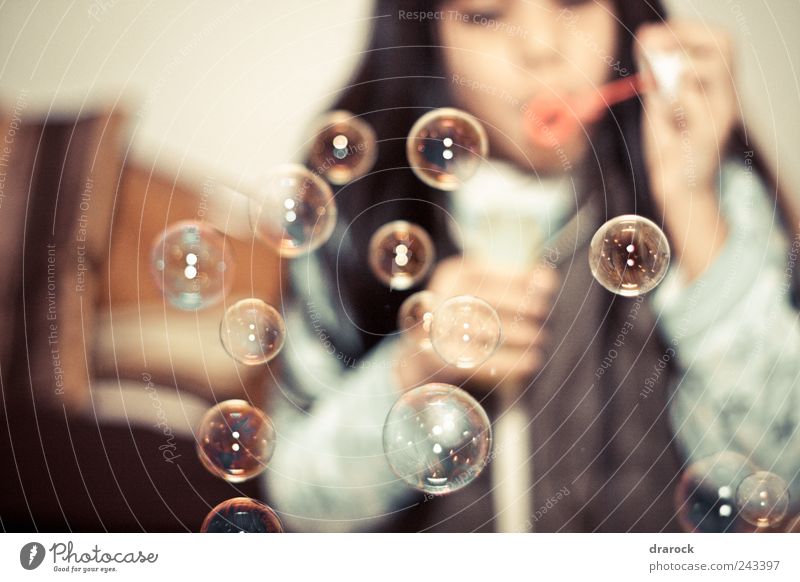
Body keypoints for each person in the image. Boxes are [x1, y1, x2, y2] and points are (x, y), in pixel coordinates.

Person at [263, 0, 800, 532]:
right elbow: (301, 502)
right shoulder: (357, 212)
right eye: (485, 15)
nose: (542, 48)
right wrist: (417, 374)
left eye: (573, 2)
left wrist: (692, 205)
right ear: (421, 30)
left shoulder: (715, 192)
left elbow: (781, 476)